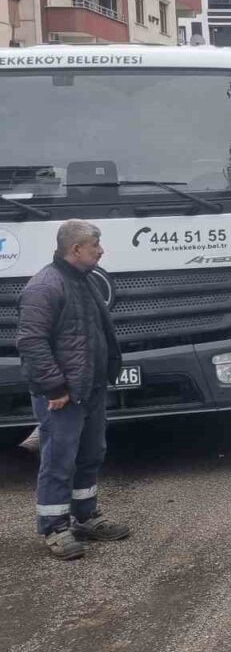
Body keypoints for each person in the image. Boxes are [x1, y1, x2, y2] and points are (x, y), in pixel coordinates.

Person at [16, 220, 129, 560]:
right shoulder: (45, 286)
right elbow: (31, 341)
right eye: (95, 244)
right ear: (76, 249)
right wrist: (54, 387)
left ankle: (84, 517)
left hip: (89, 389)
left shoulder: (83, 281)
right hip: (63, 393)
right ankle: (53, 527)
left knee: (91, 454)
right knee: (58, 460)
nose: (101, 250)